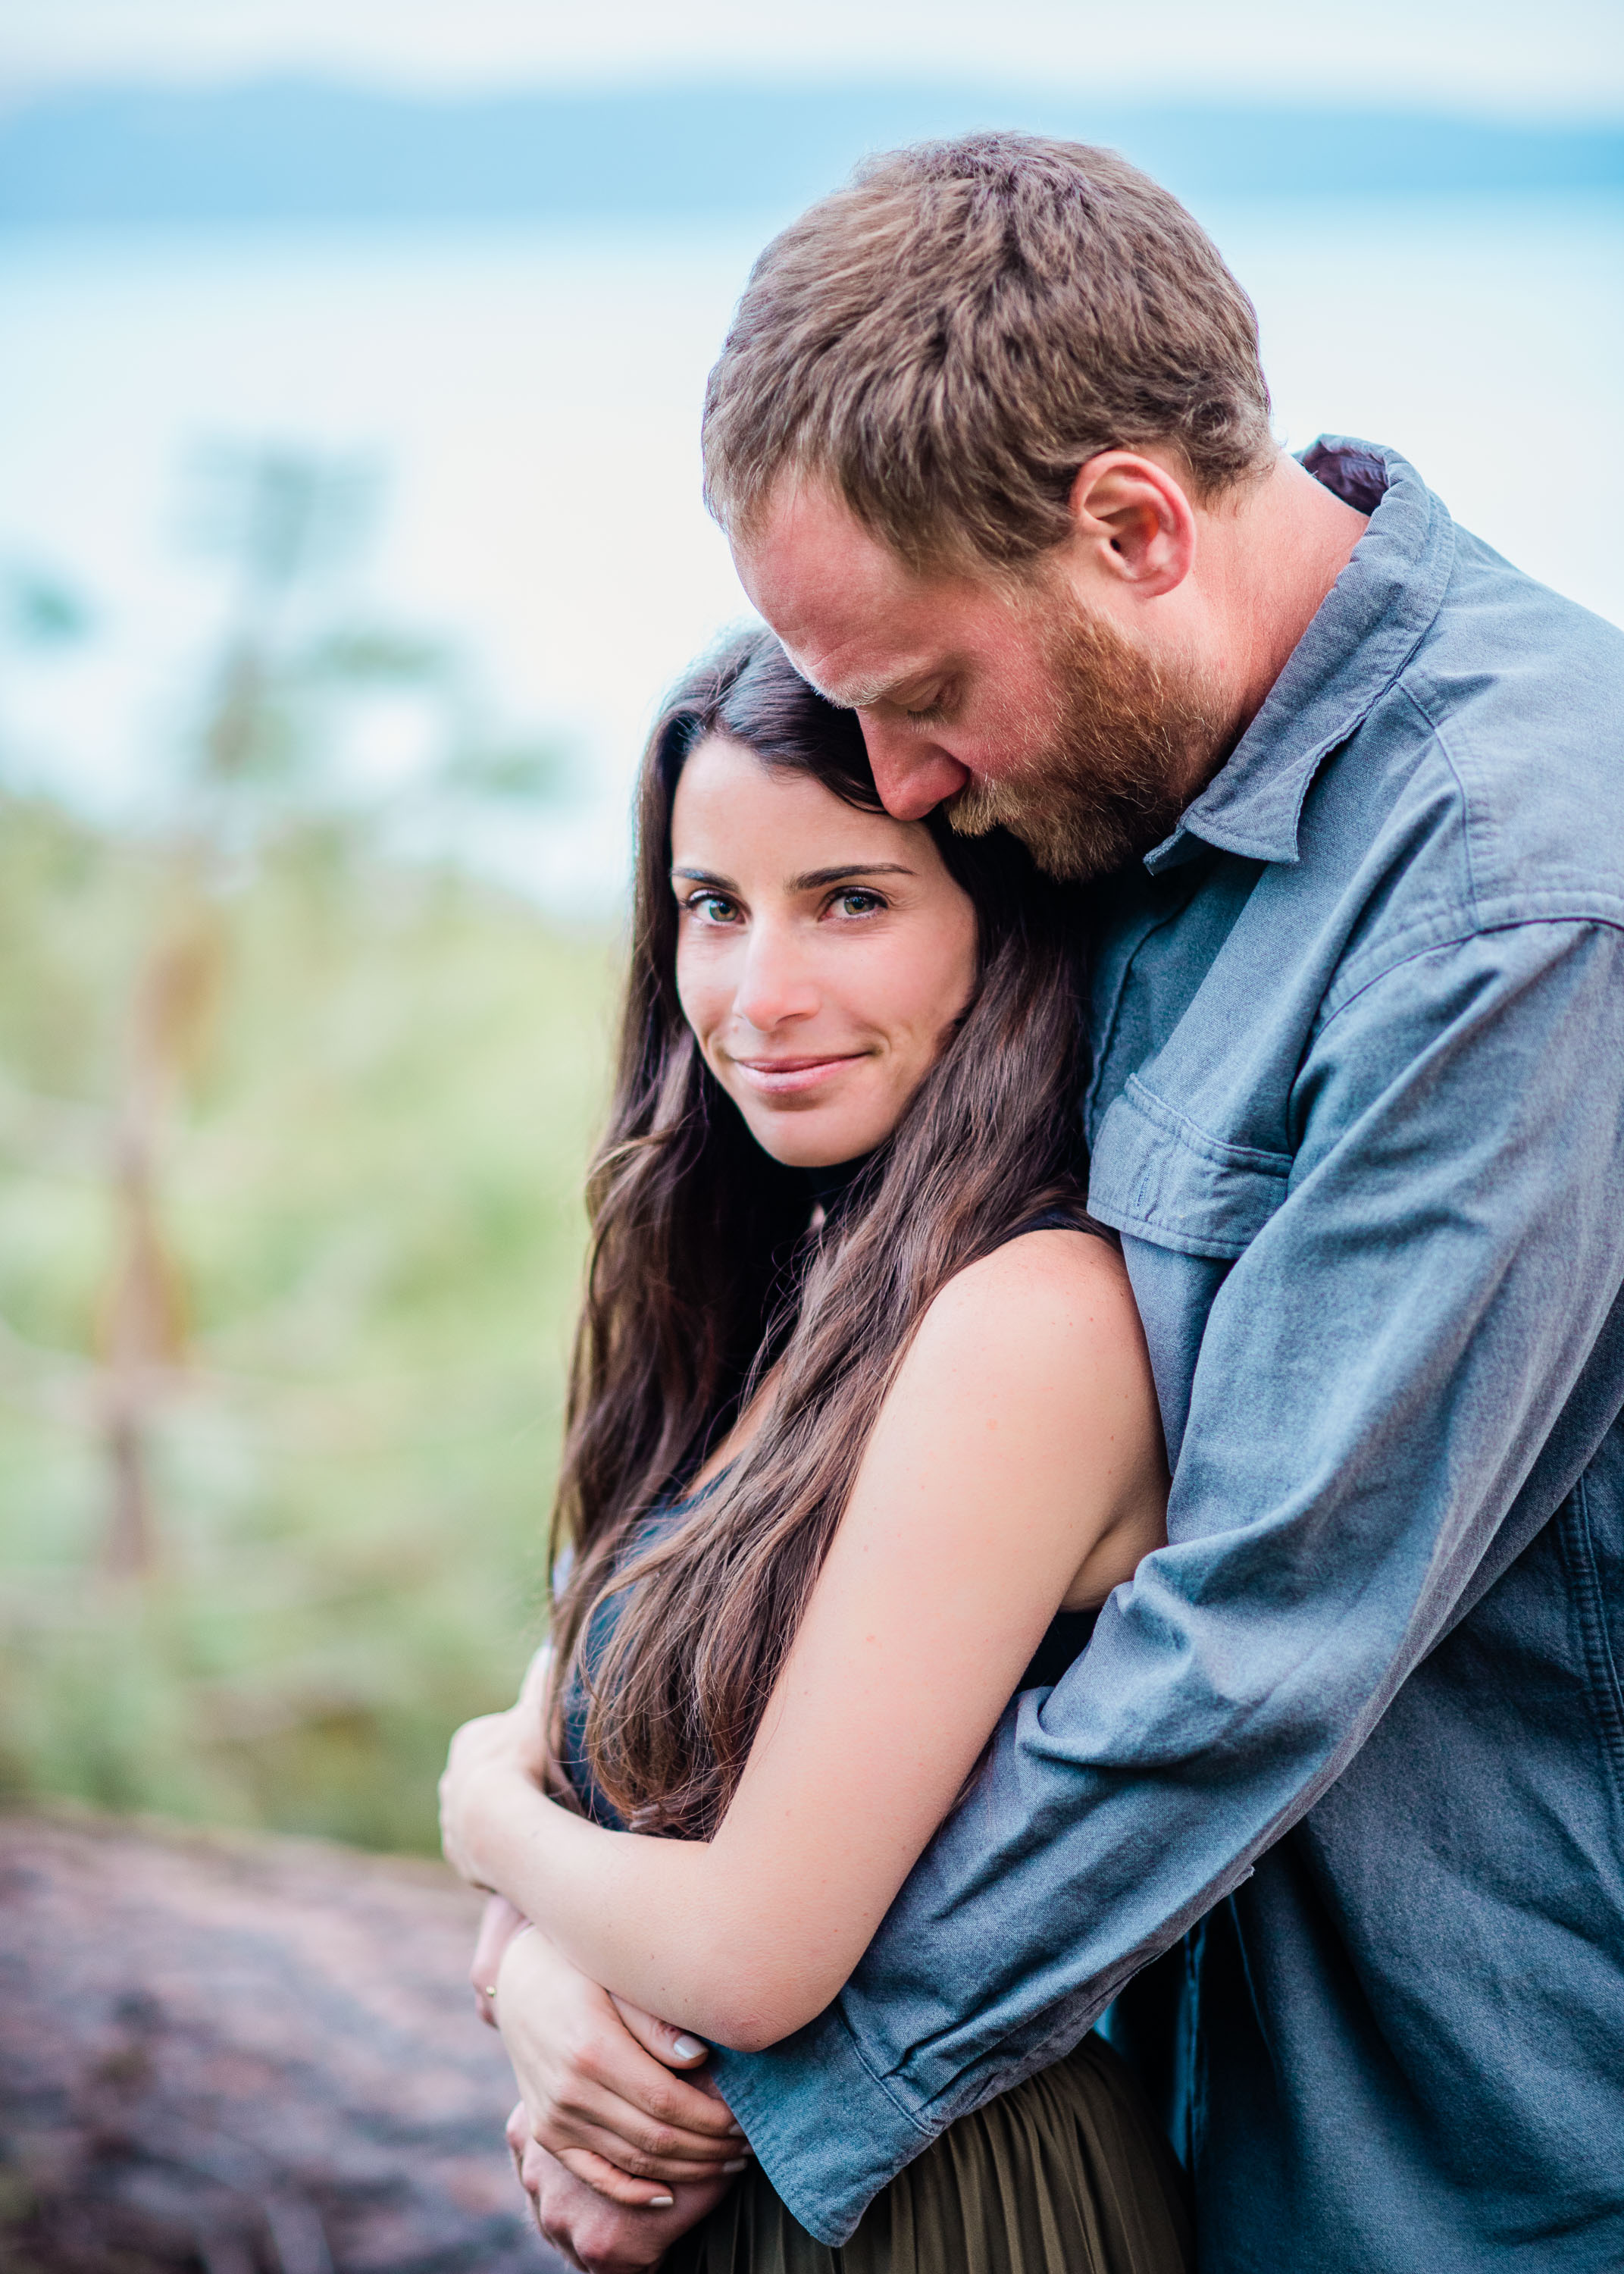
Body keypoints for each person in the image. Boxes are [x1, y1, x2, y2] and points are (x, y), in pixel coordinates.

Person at [491, 135, 1624, 2273]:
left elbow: (1255, 1648)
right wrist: (544, 1939)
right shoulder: (1123, 796)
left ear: (1133, 525)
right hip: (1179, 2113)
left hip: (1475, 2168)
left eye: (919, 699)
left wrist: (732, 2091)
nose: (901, 781)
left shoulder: (1511, 906)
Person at [441, 626, 1194, 2272]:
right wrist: (531, 1969)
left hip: (938, 2206)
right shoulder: (801, 1284)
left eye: (849, 900)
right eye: (714, 907)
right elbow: (597, 1721)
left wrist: (480, 1816)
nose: (756, 996)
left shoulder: (1035, 1318)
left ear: (1003, 933)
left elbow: (754, 1950)